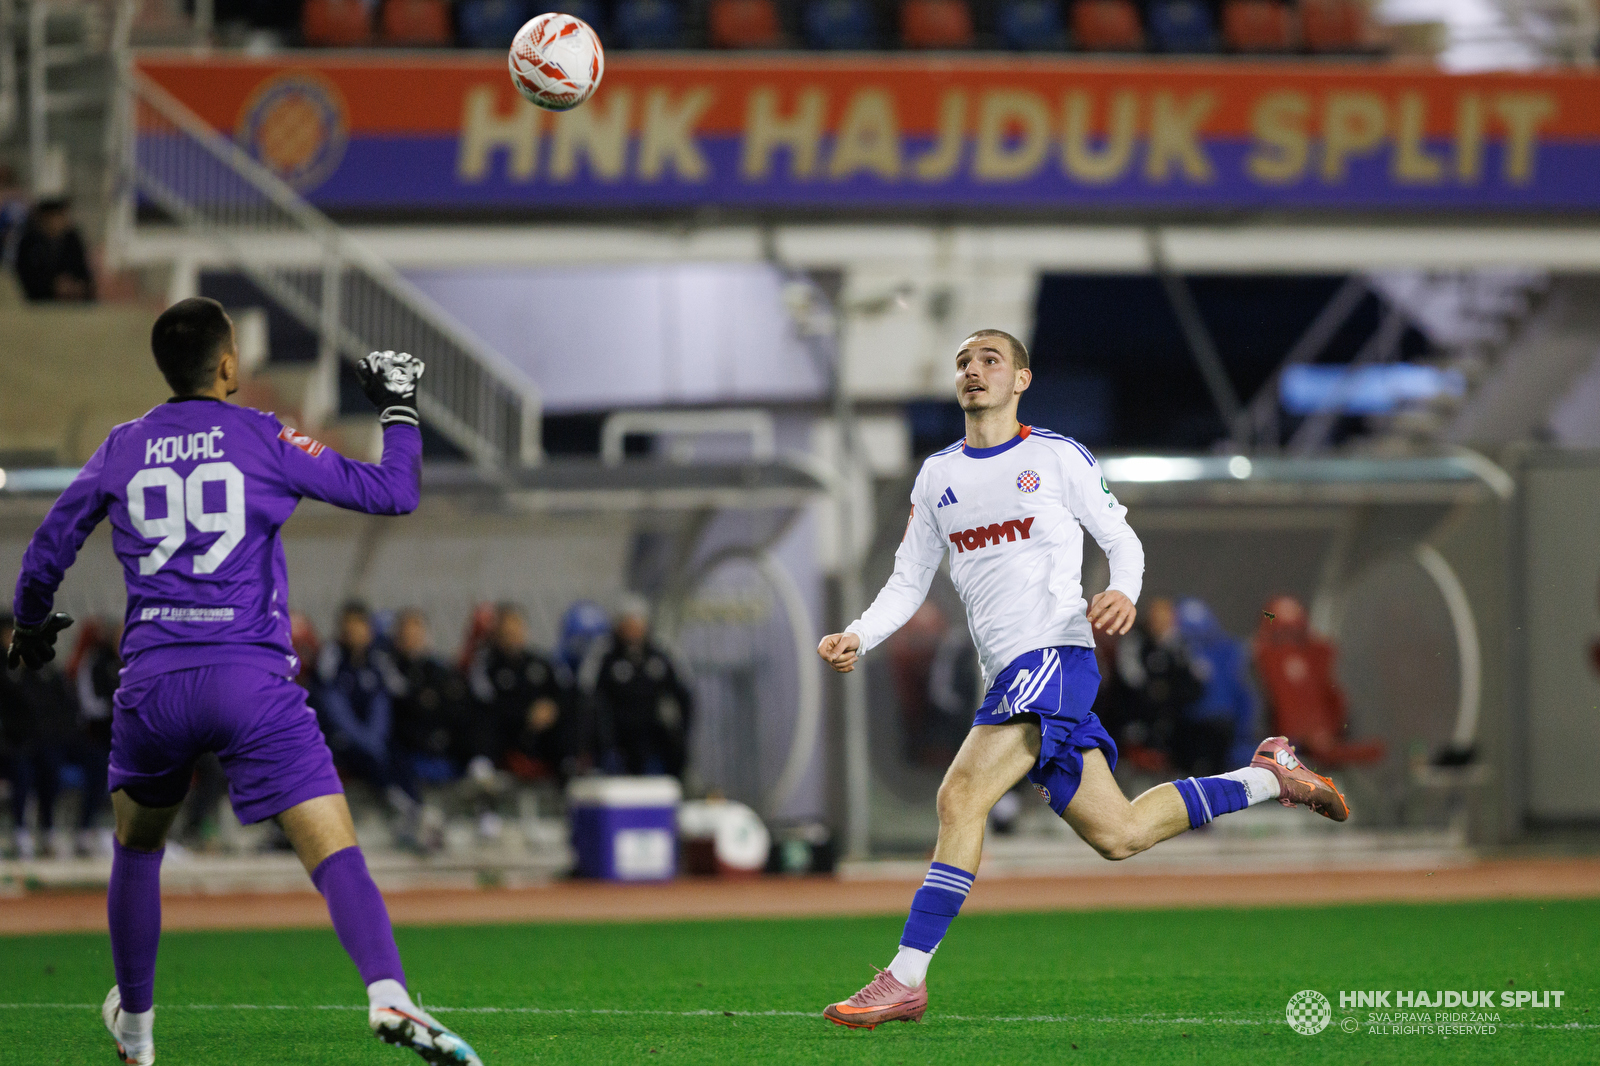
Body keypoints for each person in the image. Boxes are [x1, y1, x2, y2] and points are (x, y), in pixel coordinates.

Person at [815, 329, 1350, 1028]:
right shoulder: (937, 476)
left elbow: (1119, 537)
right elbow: (908, 580)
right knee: (1119, 833)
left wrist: (1125, 590)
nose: (974, 372)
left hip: (1054, 658)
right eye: (964, 363)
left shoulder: (1056, 456)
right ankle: (1270, 776)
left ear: (1022, 380)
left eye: (990, 361)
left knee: (960, 795)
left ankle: (906, 976)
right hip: (1009, 674)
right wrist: (858, 634)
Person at [5, 297, 479, 1065]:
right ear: (229, 365)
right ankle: (388, 994)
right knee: (333, 849)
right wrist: (397, 406)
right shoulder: (261, 435)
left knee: (138, 848)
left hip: (154, 685)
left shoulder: (122, 447)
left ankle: (136, 1032)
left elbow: (47, 549)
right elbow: (393, 492)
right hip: (249, 680)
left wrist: (30, 626)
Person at [314, 602, 421, 825]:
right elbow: (336, 711)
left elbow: (382, 703)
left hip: (372, 737)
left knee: (398, 754)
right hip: (341, 738)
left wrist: (375, 738)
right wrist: (366, 741)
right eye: (350, 628)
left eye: (361, 627)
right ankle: (398, 802)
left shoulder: (377, 661)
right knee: (364, 755)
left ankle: (415, 805)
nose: (356, 633)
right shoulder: (332, 659)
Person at [583, 597, 694, 779]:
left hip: (652, 731)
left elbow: (684, 693)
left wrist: (681, 730)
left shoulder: (662, 653)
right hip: (617, 731)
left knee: (674, 746)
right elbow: (588, 693)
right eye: (628, 623)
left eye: (637, 623)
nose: (633, 629)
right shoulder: (604, 654)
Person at [1, 610, 78, 858]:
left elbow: (64, 708)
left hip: (43, 741)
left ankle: (47, 830)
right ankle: (20, 831)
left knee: (50, 767)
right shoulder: (5, 670)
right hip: (11, 745)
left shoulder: (44, 670)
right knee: (22, 769)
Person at [466, 603, 570, 783]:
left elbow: (563, 691)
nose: (513, 634)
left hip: (541, 732)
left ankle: (569, 763)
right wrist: (526, 713)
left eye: (517, 628)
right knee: (483, 718)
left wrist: (551, 708)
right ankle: (483, 764)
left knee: (576, 707)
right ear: (497, 632)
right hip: (507, 731)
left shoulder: (540, 663)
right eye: (508, 631)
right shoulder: (486, 664)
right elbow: (485, 700)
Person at [385, 608, 468, 784]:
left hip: (443, 748)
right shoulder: (389, 669)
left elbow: (454, 706)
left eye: (416, 634)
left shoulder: (440, 671)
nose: (412, 640)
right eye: (407, 635)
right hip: (408, 749)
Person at [13, 197, 94, 302]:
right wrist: (53, 285)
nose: (64, 220)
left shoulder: (72, 239)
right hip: (39, 302)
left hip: (71, 302)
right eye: (58, 215)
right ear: (45, 218)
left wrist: (76, 285)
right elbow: (25, 276)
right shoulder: (29, 241)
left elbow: (83, 271)